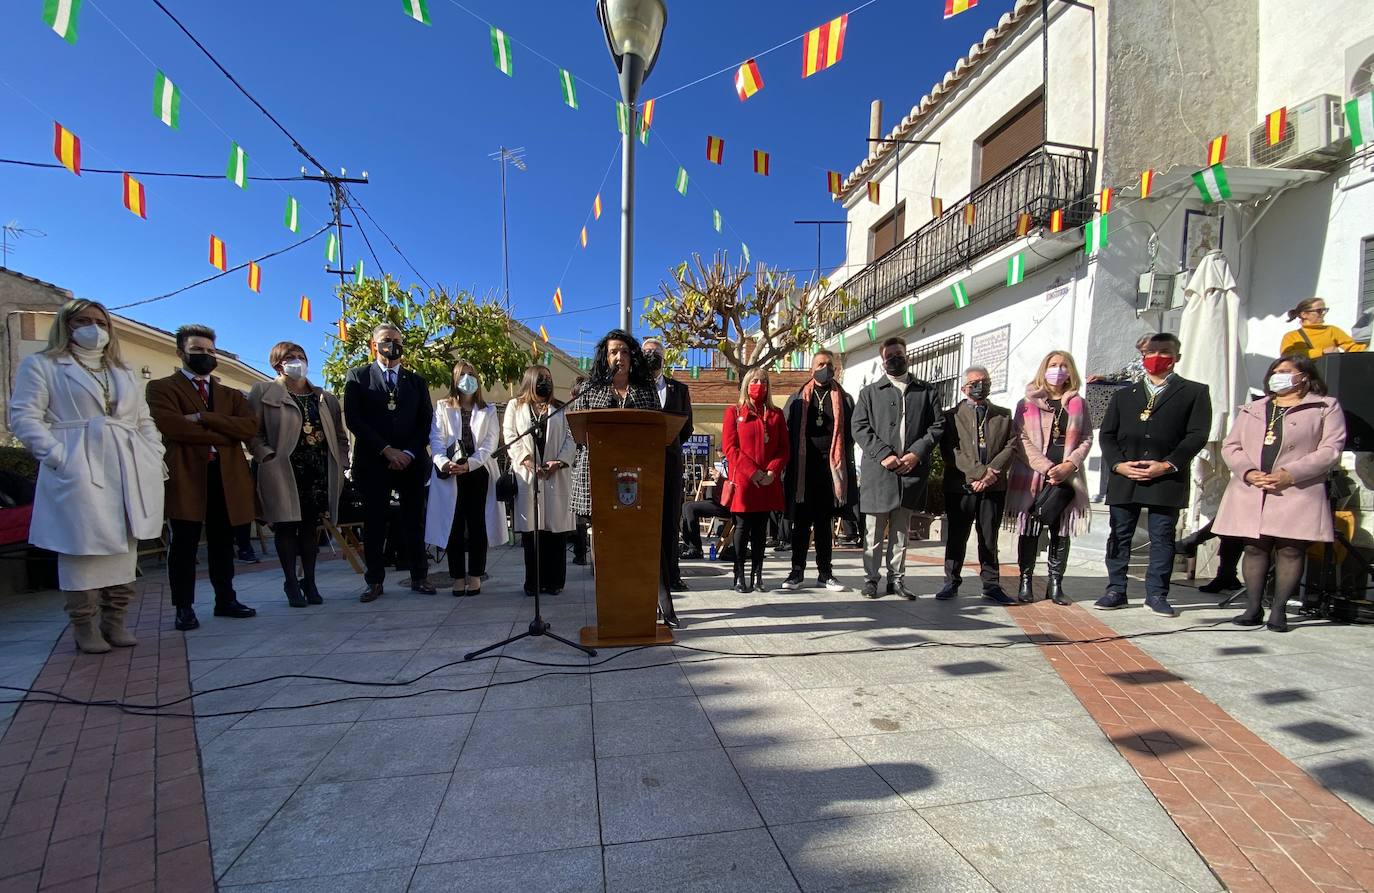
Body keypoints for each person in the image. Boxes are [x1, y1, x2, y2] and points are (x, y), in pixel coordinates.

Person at [9, 300, 165, 652]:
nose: (94, 328)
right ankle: (84, 625)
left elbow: (144, 421)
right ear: (67, 324)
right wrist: (60, 457)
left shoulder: (123, 372)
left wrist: (154, 453)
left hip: (127, 466)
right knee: (81, 547)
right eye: (83, 320)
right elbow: (24, 417)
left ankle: (115, 621)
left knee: (126, 545)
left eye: (101, 322)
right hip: (79, 463)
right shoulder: (44, 365)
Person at [1213, 356, 1346, 632]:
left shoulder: (1325, 406)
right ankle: (1252, 607)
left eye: (1286, 371)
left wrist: (1291, 473)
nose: (1278, 375)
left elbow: (1331, 449)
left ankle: (1279, 610)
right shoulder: (1254, 408)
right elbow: (1231, 446)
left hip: (1296, 489)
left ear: (1304, 376)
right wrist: (1247, 472)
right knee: (1254, 547)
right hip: (1253, 488)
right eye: (1275, 371)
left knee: (1290, 549)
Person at [147, 324, 259, 631]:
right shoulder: (161, 388)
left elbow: (248, 428)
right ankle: (183, 607)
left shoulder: (230, 394)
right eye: (197, 350)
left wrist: (203, 418)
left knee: (223, 542)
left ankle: (226, 599)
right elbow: (173, 428)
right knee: (184, 542)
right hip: (187, 473)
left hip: (225, 474)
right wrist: (225, 431)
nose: (205, 355)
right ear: (181, 351)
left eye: (210, 350)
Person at [1096, 333, 1211, 616]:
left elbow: (1197, 435)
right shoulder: (1124, 394)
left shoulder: (1194, 392)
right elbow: (1108, 435)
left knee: (1162, 536)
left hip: (1166, 477)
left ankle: (1157, 593)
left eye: (1164, 351)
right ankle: (1115, 589)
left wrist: (1168, 464)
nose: (1156, 356)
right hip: (1126, 475)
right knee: (1120, 534)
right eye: (1151, 351)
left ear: (1176, 356)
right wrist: (1118, 464)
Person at [568, 330, 678, 623]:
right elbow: (577, 431)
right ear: (605, 358)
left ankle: (649, 606)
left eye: (625, 352)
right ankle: (613, 611)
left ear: (633, 357)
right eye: (614, 352)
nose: (619, 357)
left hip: (639, 480)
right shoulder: (592, 388)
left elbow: (657, 431)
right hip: (600, 479)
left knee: (641, 545)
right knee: (608, 549)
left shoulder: (644, 390)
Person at [247, 342, 350, 607]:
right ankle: (291, 581)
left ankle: (310, 581)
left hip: (316, 470)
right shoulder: (264, 392)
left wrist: (342, 460)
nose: (296, 361)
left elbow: (339, 435)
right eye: (289, 357)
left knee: (309, 527)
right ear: (277, 364)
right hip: (283, 469)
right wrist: (266, 455)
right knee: (285, 526)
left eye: (300, 356)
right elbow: (252, 432)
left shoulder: (323, 397)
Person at [342, 324, 435, 602]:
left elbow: (425, 421)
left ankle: (420, 576)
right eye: (386, 340)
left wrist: (407, 452)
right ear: (374, 345)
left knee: (414, 521)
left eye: (396, 341)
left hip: (411, 462)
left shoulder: (416, 381)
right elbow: (355, 420)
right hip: (374, 462)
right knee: (374, 523)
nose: (391, 345)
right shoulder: (358, 377)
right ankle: (374, 581)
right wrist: (386, 450)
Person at [852, 336, 945, 600]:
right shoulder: (869, 393)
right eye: (889, 356)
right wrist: (883, 454)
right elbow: (859, 427)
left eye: (898, 354)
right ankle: (871, 579)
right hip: (878, 473)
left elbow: (937, 426)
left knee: (901, 532)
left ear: (907, 356)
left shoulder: (926, 391)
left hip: (910, 473)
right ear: (883, 362)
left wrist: (917, 452)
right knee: (873, 532)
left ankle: (897, 579)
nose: (895, 358)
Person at [1004, 352, 1094, 605]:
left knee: (1061, 530)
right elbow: (1020, 439)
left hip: (1067, 476)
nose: (1058, 370)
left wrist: (1069, 464)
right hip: (1033, 474)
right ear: (1044, 369)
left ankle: (1055, 583)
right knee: (1030, 528)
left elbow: (1087, 436)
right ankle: (1025, 580)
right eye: (1053, 365)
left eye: (1064, 365)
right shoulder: (1027, 403)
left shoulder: (1078, 403)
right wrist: (1045, 467)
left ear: (1071, 371)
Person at [424, 359, 505, 597]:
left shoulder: (488, 410)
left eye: (471, 374)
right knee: (454, 526)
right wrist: (443, 462)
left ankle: (476, 575)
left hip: (478, 473)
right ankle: (457, 577)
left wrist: (469, 464)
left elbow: (490, 444)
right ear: (454, 380)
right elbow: (436, 439)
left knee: (477, 526)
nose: (466, 379)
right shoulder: (442, 407)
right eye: (462, 375)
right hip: (450, 472)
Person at [937, 366, 1016, 603]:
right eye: (974, 383)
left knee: (989, 536)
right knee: (957, 536)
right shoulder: (951, 416)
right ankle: (951, 582)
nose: (980, 386)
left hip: (994, 486)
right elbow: (951, 451)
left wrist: (992, 473)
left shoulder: (1003, 415)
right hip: (961, 486)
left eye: (984, 381)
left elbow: (1011, 446)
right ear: (964, 388)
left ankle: (991, 584)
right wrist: (979, 473)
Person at [781, 350, 856, 592]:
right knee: (801, 525)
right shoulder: (797, 398)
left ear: (835, 369)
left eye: (829, 365)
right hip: (803, 470)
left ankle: (826, 573)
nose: (825, 368)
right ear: (811, 369)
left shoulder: (844, 399)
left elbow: (851, 436)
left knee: (824, 524)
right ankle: (796, 572)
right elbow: (786, 431)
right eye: (821, 364)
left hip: (831, 471)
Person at [504, 365, 576, 596]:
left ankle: (555, 582)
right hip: (528, 475)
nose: (545, 381)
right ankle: (533, 583)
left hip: (556, 475)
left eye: (548, 377)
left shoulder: (561, 408)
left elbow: (571, 439)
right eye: (541, 378)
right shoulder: (516, 406)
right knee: (533, 533)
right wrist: (526, 461)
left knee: (555, 533)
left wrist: (559, 462)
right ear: (530, 380)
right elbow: (510, 436)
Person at [722, 369, 789, 592]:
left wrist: (771, 471)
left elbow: (783, 449)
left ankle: (757, 575)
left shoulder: (776, 414)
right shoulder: (734, 412)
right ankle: (739, 574)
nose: (759, 384)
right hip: (745, 481)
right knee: (742, 528)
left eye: (764, 381)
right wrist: (753, 472)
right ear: (746, 384)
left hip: (767, 483)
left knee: (761, 529)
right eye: (755, 380)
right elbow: (730, 448)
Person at [642, 337, 694, 592]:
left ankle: (672, 574)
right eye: (647, 352)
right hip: (642, 464)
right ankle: (645, 575)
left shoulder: (679, 390)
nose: (652, 355)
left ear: (664, 358)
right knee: (645, 521)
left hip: (671, 463)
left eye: (656, 352)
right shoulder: (635, 388)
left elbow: (687, 428)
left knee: (671, 520)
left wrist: (668, 442)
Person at [1279, 298, 1367, 358]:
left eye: (1325, 310)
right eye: (1319, 311)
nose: (1323, 313)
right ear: (1304, 314)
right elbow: (1286, 356)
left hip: (1328, 376)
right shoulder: (1291, 336)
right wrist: (1322, 351)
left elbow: (1353, 348)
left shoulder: (1332, 330)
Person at [681, 456, 731, 559]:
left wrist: (720, 478)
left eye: (723, 457)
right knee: (686, 505)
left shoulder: (735, 464)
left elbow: (733, 485)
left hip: (728, 505)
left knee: (690, 508)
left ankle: (696, 549)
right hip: (718, 501)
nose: (722, 460)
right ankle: (690, 545)